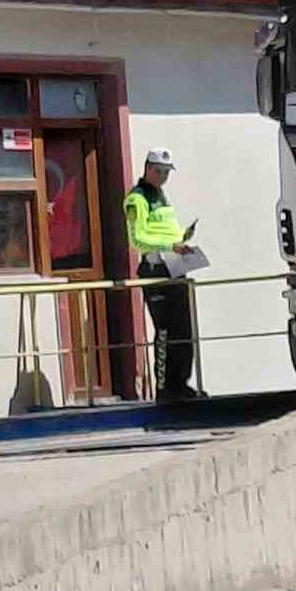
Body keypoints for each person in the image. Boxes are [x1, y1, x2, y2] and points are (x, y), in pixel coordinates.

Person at [125, 148, 200, 401]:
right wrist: (170, 246)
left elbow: (165, 231)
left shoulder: (162, 195)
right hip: (155, 267)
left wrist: (182, 238)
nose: (164, 176)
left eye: (167, 172)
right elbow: (138, 238)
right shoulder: (137, 199)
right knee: (165, 330)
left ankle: (182, 384)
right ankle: (164, 388)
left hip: (174, 264)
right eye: (159, 171)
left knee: (184, 329)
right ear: (147, 168)